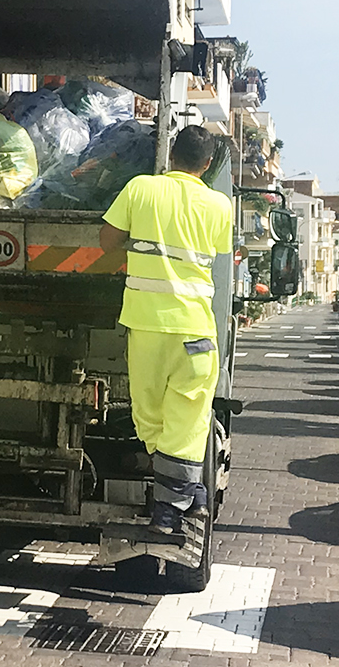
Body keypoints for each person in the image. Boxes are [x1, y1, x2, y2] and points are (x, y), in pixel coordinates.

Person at [98, 125, 232, 536]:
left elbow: (107, 241)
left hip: (147, 326)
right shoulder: (220, 205)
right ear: (207, 165)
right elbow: (220, 251)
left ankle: (177, 502)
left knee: (149, 419)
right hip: (195, 331)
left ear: (170, 154)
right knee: (188, 420)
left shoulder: (141, 189)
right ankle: (185, 499)